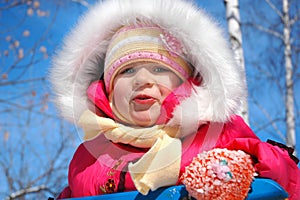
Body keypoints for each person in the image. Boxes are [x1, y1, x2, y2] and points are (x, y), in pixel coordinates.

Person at [49, 0, 300, 199]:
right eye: (127, 70)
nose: (142, 79)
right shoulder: (89, 155)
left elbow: (283, 174)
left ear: (185, 83)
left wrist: (238, 168)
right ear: (108, 90)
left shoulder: (217, 132)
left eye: (159, 69)